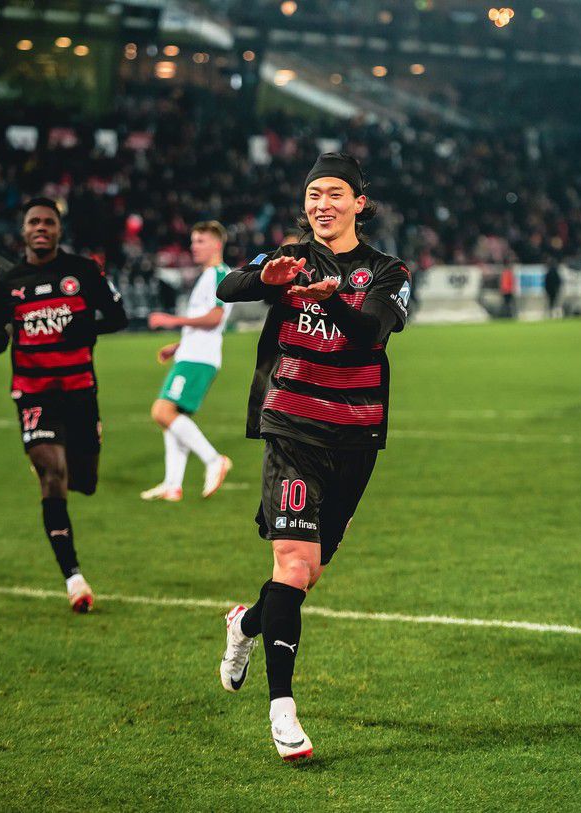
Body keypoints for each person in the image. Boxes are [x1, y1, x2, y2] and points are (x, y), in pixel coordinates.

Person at [215, 153, 410, 761]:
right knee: (294, 565)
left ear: (359, 203)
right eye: (313, 194)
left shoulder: (388, 270)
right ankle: (283, 712)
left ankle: (245, 624)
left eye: (334, 193)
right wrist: (266, 279)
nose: (322, 204)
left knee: (305, 576)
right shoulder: (289, 257)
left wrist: (331, 301)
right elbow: (228, 287)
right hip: (291, 430)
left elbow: (371, 332)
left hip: (354, 437)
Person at [0, 197, 128, 611]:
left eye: (48, 221)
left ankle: (66, 459)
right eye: (34, 222)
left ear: (59, 229)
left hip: (80, 390)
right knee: (52, 473)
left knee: (85, 481)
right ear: (24, 230)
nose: (41, 227)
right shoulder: (7, 283)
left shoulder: (84, 271)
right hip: (33, 392)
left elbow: (118, 317)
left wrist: (89, 325)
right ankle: (74, 579)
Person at [141, 221, 233, 502]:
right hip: (191, 354)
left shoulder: (220, 274)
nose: (194, 247)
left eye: (200, 241)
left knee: (162, 411)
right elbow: (205, 321)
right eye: (193, 241)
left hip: (199, 359)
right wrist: (178, 345)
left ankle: (214, 460)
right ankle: (172, 485)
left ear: (217, 244)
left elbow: (215, 317)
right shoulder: (207, 275)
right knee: (172, 417)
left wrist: (172, 321)